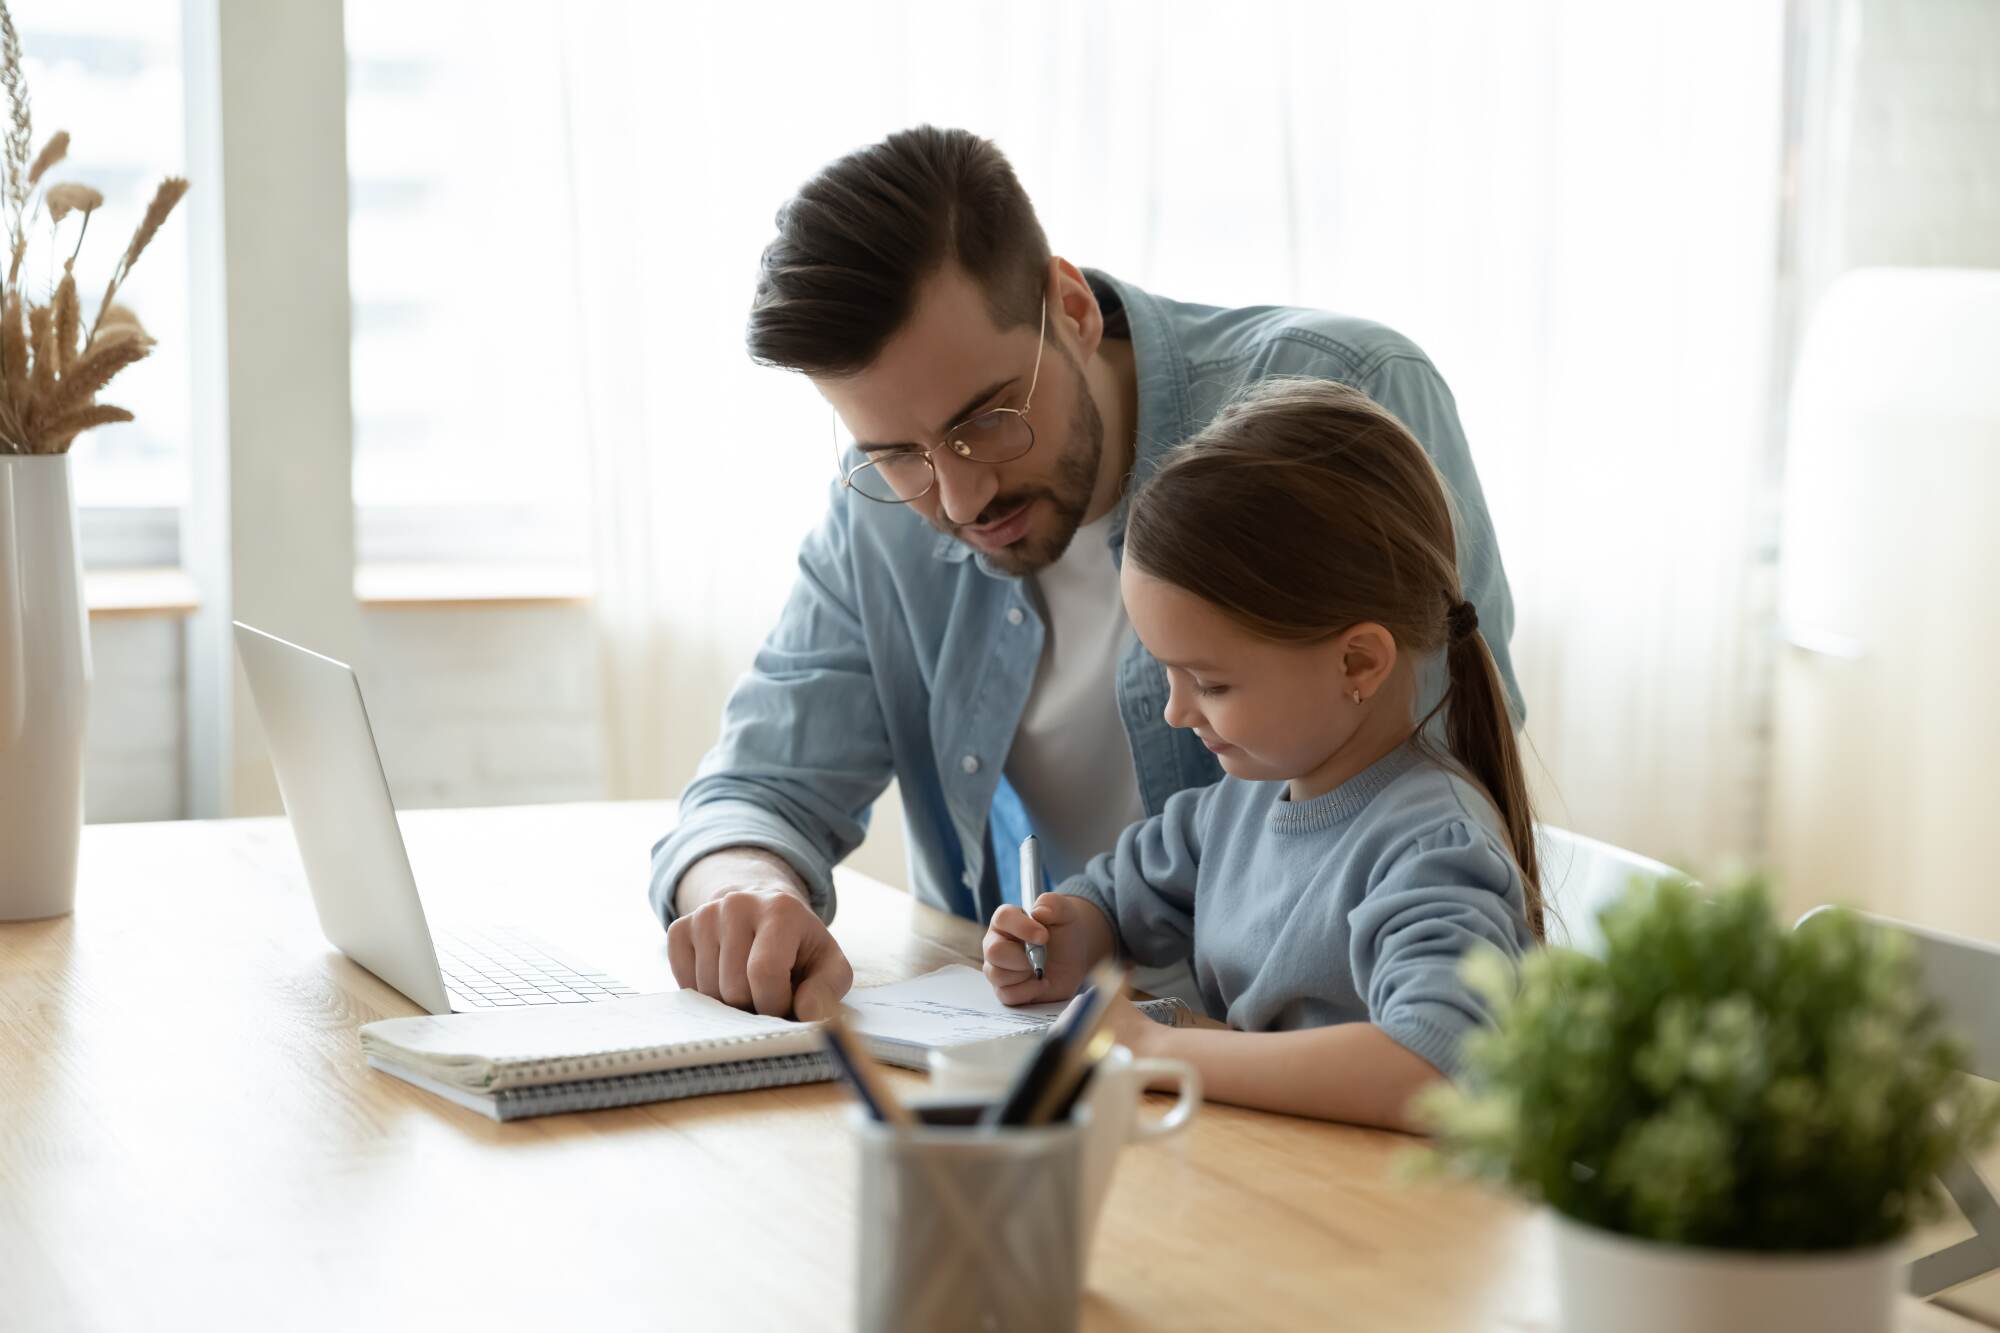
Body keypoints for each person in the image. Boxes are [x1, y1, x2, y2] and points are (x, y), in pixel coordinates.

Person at [653, 125, 1521, 1021]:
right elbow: (757, 789)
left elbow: (1431, 795)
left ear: (1070, 307)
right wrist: (745, 896)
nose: (958, 496)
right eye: (898, 452)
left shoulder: (1345, 398)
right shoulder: (884, 510)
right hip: (1051, 1053)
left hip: (1304, 1077)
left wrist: (1178, 1049)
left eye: (985, 419)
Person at [982, 379, 1542, 1130]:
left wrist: (1159, 1046)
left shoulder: (1433, 845)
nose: (1180, 712)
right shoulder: (1241, 800)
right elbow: (1114, 898)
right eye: (1166, 673)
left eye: (1209, 682)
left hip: (1378, 1223)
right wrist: (1061, 937)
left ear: (1358, 664)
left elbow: (1433, 1065)